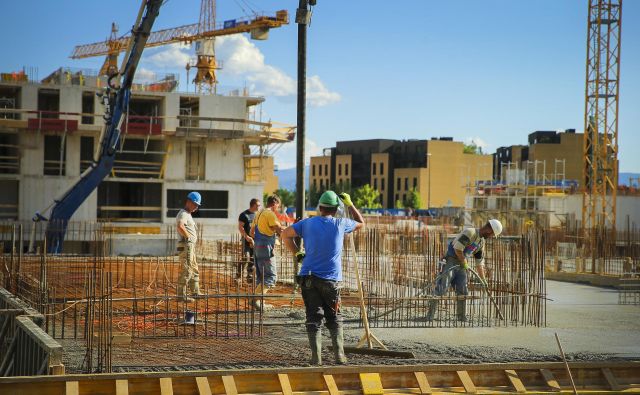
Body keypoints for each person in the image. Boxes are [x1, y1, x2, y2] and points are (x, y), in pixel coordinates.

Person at [281, 191, 364, 365]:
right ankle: (340, 356)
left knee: (313, 317)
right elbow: (361, 224)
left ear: (319, 207)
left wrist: (298, 253)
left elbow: (285, 235)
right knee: (334, 317)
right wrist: (350, 204)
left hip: (309, 277)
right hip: (331, 280)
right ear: (336, 209)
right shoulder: (341, 224)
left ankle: (316, 358)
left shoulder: (307, 223)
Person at [426, 219, 503, 322]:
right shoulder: (470, 232)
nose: (491, 236)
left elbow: (479, 263)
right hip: (450, 261)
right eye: (492, 234)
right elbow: (458, 249)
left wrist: (483, 279)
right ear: (489, 230)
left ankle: (461, 317)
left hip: (462, 265)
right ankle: (430, 316)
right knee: (442, 288)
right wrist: (464, 262)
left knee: (463, 291)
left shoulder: (481, 242)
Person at [250, 195, 286, 307]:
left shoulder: (259, 213)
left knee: (261, 276)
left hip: (257, 247)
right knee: (271, 277)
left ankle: (258, 301)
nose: (278, 209)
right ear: (274, 203)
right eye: (278, 206)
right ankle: (255, 299)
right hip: (266, 248)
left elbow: (252, 233)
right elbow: (280, 230)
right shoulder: (270, 214)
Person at [176, 191, 202, 303]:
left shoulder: (188, 214)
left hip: (190, 246)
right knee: (187, 269)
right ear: (188, 201)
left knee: (194, 268)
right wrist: (189, 238)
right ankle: (181, 295)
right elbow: (180, 226)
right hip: (186, 245)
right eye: (195, 204)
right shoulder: (183, 214)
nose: (196, 207)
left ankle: (195, 292)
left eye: (197, 205)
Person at [237, 198, 261, 283]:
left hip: (255, 240)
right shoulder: (244, 215)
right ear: (253, 205)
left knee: (253, 258)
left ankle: (249, 276)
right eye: (258, 205)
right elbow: (240, 227)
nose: (259, 207)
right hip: (246, 239)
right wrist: (247, 237)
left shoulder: (258, 215)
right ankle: (238, 276)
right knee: (246, 257)